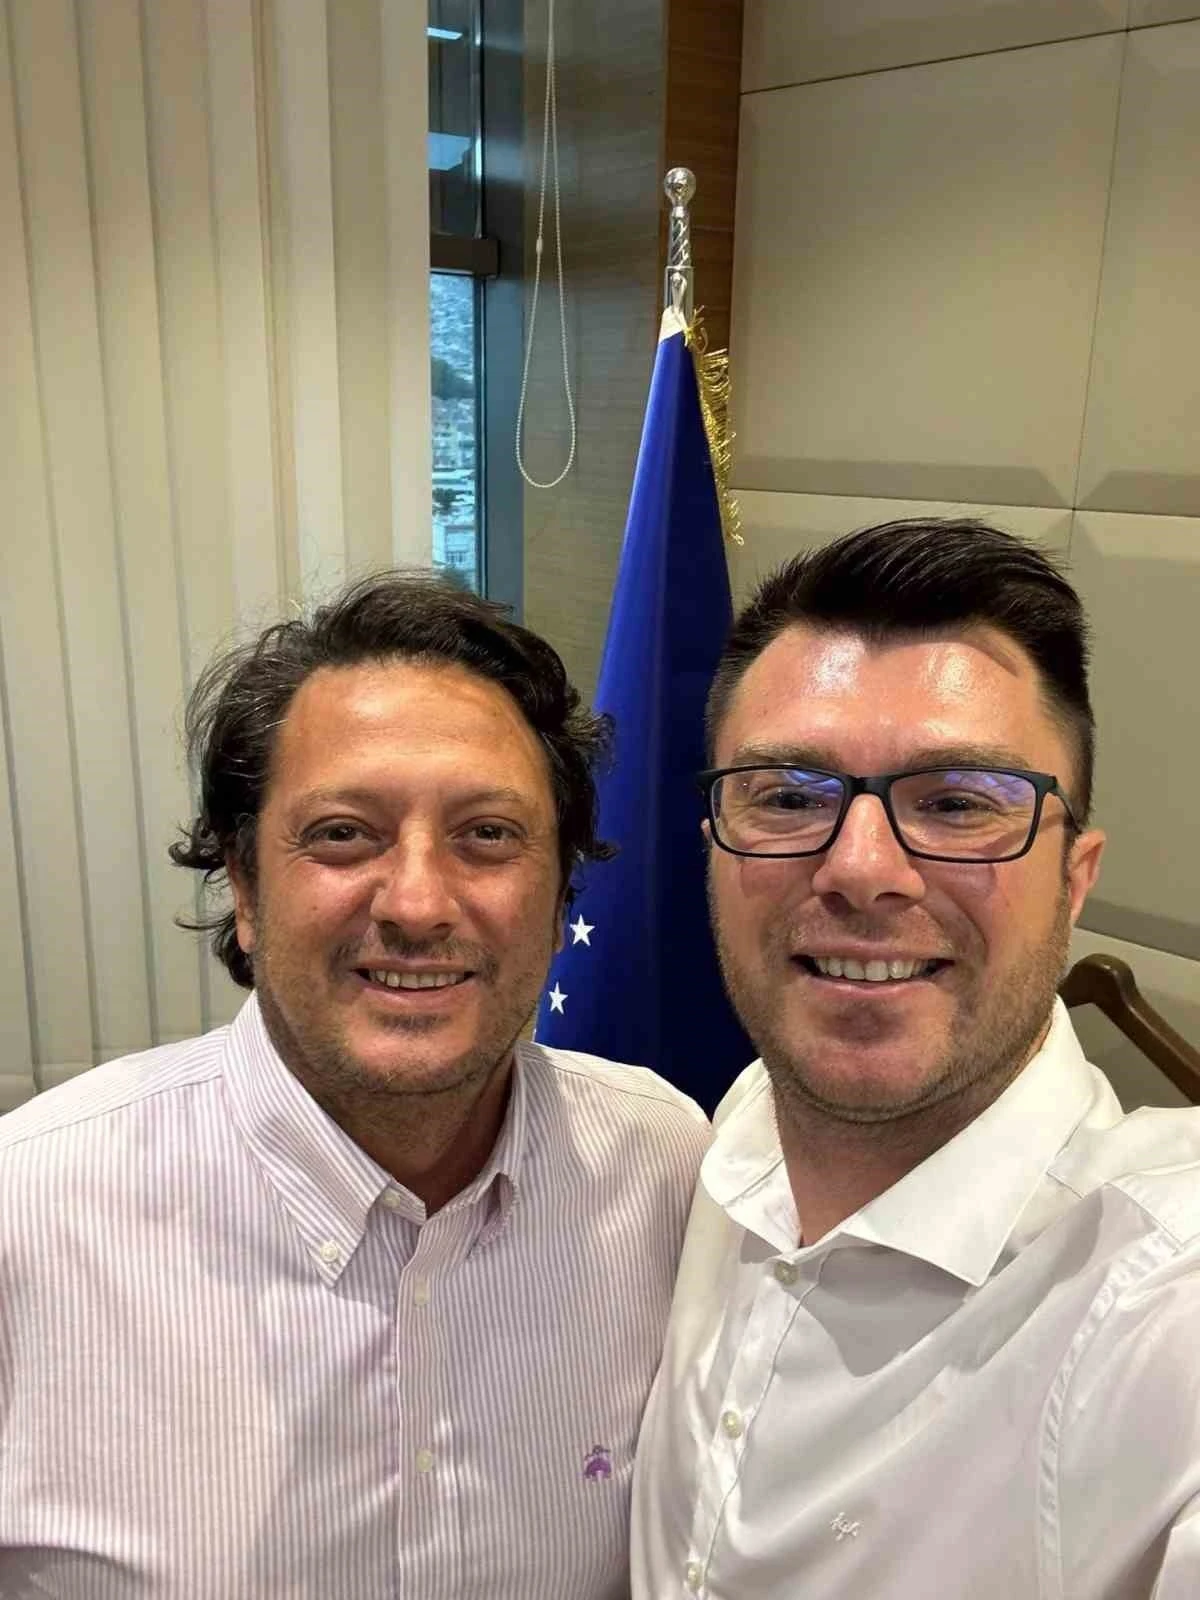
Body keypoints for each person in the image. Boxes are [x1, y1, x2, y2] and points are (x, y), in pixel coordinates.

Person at [0, 572, 710, 1599]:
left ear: (561, 899)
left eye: (488, 834)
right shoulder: (25, 1218)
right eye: (342, 833)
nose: (417, 904)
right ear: (245, 887)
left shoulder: (666, 1168)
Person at [632, 519, 1200, 1599]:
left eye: (957, 803)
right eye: (788, 796)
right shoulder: (739, 1124)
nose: (860, 869)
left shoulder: (1160, 1303)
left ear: (1075, 877)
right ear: (714, 851)